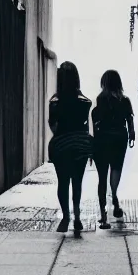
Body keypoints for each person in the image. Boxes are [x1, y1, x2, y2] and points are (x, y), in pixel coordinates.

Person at [48, 62, 93, 232]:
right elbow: (85, 126)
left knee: (63, 182)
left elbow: (53, 125)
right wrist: (88, 149)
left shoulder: (55, 102)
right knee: (77, 181)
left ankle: (66, 217)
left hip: (61, 145)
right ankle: (78, 217)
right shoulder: (84, 102)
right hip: (80, 144)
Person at [92, 70, 135, 229]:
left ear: (104, 83)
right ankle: (114, 195)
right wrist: (131, 135)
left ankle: (103, 216)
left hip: (102, 140)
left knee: (101, 177)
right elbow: (129, 120)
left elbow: (97, 122)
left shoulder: (100, 99)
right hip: (119, 139)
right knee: (116, 169)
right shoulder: (125, 100)